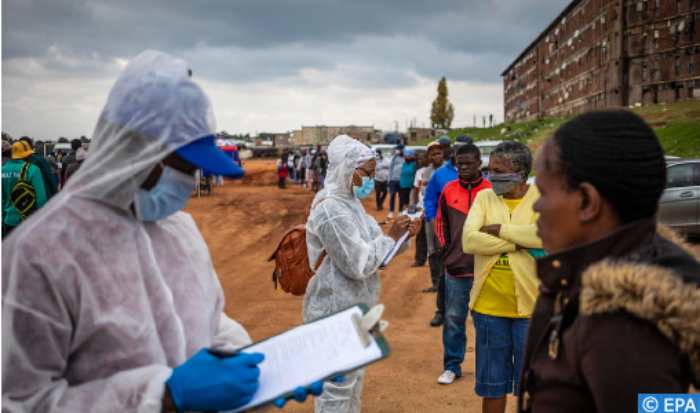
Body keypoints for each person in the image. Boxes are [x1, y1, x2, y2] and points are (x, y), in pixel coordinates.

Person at [2, 50, 322, 413]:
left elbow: (209, 318)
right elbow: (21, 402)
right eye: (182, 167)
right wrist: (164, 396)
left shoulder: (178, 230)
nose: (189, 182)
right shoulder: (40, 254)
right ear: (136, 154)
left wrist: (257, 367)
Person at [519, 110, 700, 413]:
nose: (536, 205)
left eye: (543, 192)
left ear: (587, 202)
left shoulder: (623, 329)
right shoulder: (609, 273)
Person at [304, 134, 420, 413]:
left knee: (353, 385)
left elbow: (378, 250)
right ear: (346, 168)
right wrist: (390, 237)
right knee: (336, 390)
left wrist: (402, 236)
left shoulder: (351, 203)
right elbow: (358, 265)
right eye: (366, 173)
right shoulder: (331, 210)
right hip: (334, 313)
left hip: (356, 309)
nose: (370, 179)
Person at [462, 141, 542, 413]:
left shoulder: (542, 198)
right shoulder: (485, 198)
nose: (490, 176)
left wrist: (497, 230)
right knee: (492, 385)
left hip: (532, 309)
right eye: (490, 169)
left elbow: (545, 236)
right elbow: (469, 241)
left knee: (531, 387)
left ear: (519, 173)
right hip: (488, 308)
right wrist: (518, 242)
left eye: (498, 171)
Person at [434, 143, 492, 385]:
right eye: (460, 164)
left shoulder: (491, 190)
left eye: (469, 163)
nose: (464, 168)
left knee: (487, 321)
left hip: (486, 269)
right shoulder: (448, 190)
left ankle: (488, 368)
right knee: (454, 319)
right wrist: (446, 252)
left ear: (480, 163)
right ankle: (452, 365)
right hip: (456, 269)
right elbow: (440, 224)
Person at [423, 136, 457, 327]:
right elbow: (429, 199)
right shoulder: (440, 174)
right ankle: (442, 311)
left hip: (471, 231)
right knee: (446, 271)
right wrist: (433, 219)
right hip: (445, 228)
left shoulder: (480, 177)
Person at [2, 140, 48, 238]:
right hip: (28, 221)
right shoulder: (33, 169)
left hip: (7, 220)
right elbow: (41, 199)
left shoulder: (2, 170)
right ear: (27, 155)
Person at [413, 142, 443, 270]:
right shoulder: (424, 172)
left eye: (438, 153)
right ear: (429, 156)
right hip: (427, 212)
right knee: (431, 246)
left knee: (443, 243)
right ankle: (435, 281)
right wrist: (416, 205)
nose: (435, 156)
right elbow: (419, 190)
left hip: (444, 213)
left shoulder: (449, 171)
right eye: (432, 154)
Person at [387, 145, 405, 219]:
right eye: (397, 149)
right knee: (392, 196)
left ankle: (400, 212)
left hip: (402, 180)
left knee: (401, 197)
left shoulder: (406, 157)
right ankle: (391, 212)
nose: (398, 151)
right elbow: (390, 168)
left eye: (399, 150)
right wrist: (389, 179)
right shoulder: (394, 157)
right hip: (393, 180)